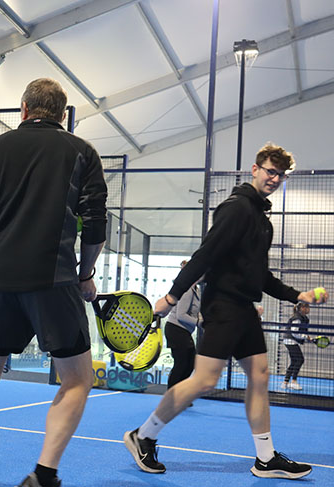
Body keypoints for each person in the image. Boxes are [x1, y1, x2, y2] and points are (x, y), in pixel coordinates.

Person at [123, 143, 328, 480]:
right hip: (222, 305)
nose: (275, 178)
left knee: (259, 375)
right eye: (270, 171)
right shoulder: (236, 209)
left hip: (244, 308)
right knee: (205, 380)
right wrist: (172, 297)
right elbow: (205, 256)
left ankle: (265, 458)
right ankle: (143, 436)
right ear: (255, 169)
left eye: (281, 174)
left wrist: (297, 295)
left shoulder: (262, 220)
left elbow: (260, 276)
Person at [0, 78, 107, 487]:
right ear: (62, 114)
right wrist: (85, 274)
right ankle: (44, 474)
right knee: (78, 380)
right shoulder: (82, 151)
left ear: (23, 109)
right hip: (55, 281)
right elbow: (97, 226)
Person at [164, 260, 202, 390]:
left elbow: (194, 312)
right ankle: (171, 397)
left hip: (183, 331)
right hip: (176, 329)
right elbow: (181, 315)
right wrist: (199, 323)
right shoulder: (187, 290)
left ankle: (179, 394)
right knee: (181, 364)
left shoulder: (196, 290)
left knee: (190, 364)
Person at [281, 302, 310, 391]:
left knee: (294, 361)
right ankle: (293, 382)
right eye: (307, 307)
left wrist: (307, 338)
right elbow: (295, 332)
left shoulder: (304, 318)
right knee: (300, 359)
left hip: (291, 340)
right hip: (290, 340)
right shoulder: (297, 318)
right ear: (302, 308)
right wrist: (305, 337)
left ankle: (285, 382)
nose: (309, 309)